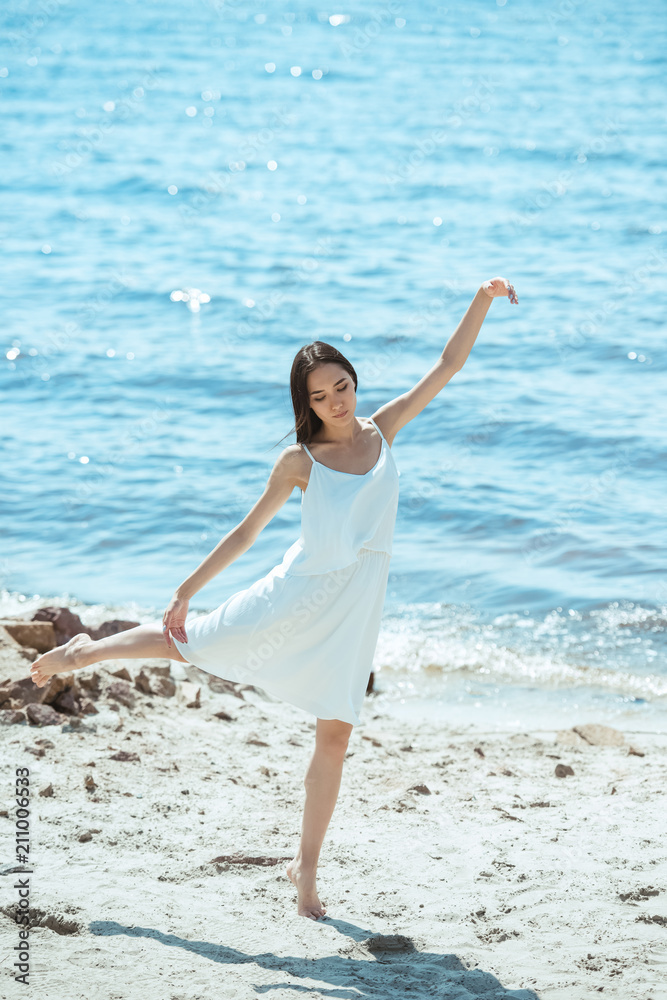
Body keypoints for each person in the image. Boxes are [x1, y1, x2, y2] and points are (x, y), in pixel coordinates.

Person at [29, 276, 518, 920]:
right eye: (321, 396)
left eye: (342, 385)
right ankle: (82, 652)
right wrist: (185, 589)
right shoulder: (300, 461)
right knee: (189, 644)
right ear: (306, 404)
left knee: (336, 736)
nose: (336, 402)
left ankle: (305, 870)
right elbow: (247, 532)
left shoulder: (383, 430)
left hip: (357, 605)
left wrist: (481, 298)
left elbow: (447, 365)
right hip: (296, 595)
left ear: (352, 381)